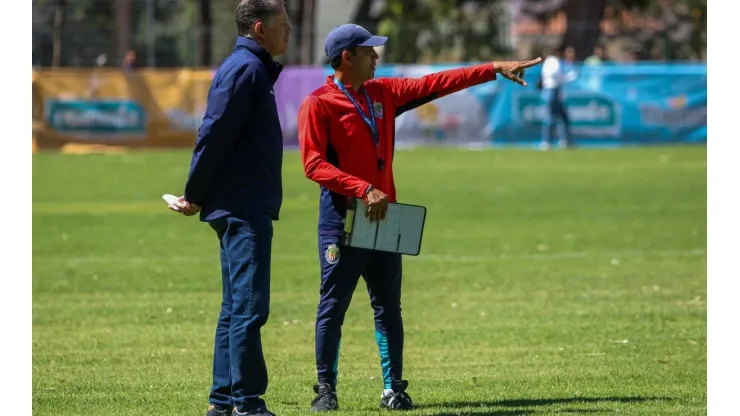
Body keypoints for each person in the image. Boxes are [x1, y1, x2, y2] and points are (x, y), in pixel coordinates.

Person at [297, 23, 541, 412]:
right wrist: (362, 188)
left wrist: (493, 67)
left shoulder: (383, 93)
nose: (376, 57)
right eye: (369, 51)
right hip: (342, 222)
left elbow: (437, 83)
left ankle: (393, 389)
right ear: (347, 57)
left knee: (388, 308)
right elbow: (313, 165)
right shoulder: (319, 104)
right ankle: (326, 390)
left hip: (384, 219)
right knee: (333, 307)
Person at [167, 1, 291, 415]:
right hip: (242, 205)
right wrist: (196, 191)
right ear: (260, 29)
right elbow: (214, 133)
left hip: (241, 202)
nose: (288, 32)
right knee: (250, 307)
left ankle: (222, 402)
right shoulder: (246, 70)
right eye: (283, 26)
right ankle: (247, 403)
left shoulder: (251, 69)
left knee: (236, 307)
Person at [539, 45, 578, 150]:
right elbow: (557, 77)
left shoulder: (548, 62)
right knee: (552, 117)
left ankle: (561, 140)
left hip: (550, 90)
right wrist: (569, 77)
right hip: (553, 90)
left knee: (560, 116)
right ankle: (548, 141)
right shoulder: (554, 62)